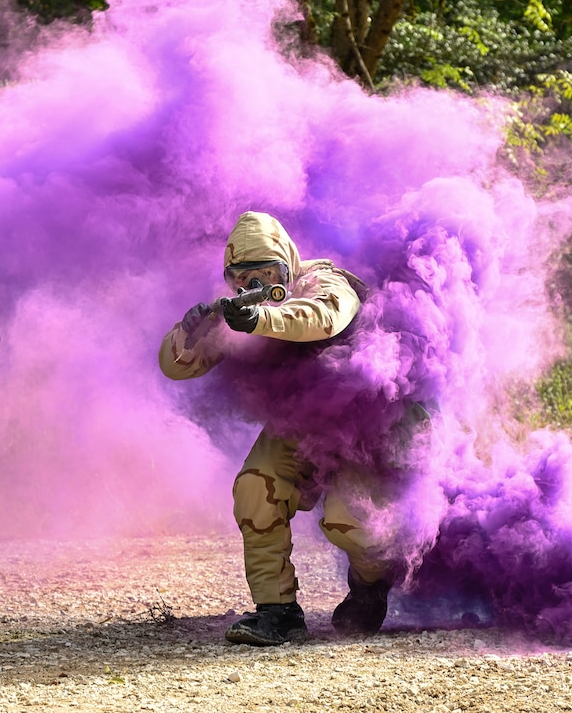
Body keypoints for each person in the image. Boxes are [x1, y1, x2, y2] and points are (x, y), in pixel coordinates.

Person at [159, 211, 410, 646]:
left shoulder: (323, 282)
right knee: (256, 488)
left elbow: (323, 318)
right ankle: (277, 612)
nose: (253, 284)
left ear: (288, 266)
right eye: (241, 276)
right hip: (300, 424)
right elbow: (176, 366)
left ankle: (371, 585)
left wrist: (258, 319)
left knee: (349, 522)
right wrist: (189, 331)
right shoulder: (237, 311)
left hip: (367, 427)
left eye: (266, 273)